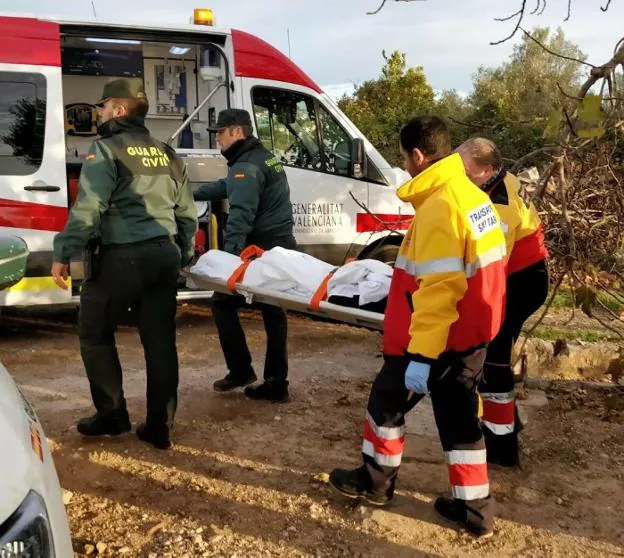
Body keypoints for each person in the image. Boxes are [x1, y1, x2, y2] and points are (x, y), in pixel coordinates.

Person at [329, 116, 507, 538]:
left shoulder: (441, 205)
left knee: (386, 402)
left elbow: (439, 290)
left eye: (404, 158)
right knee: (460, 422)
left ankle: (375, 484)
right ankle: (475, 512)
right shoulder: (471, 195)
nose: (404, 166)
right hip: (471, 336)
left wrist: (422, 356)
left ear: (418, 156)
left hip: (437, 340)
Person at [51, 79, 198, 450]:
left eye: (102, 106)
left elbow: (88, 208)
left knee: (95, 333)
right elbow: (187, 216)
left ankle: (113, 416)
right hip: (164, 255)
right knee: (160, 341)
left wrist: (64, 251)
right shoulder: (167, 153)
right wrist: (183, 254)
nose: (98, 113)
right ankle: (159, 425)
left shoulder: (105, 150)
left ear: (118, 109)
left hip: (122, 257)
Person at [458, 137, 549, 467]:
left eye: (464, 168)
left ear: (485, 170)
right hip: (520, 276)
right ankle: (507, 423)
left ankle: (503, 447)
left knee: (494, 358)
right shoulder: (502, 180)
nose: (459, 174)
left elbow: (493, 263)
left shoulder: (499, 203)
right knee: (495, 355)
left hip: (523, 281)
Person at [194, 109, 296, 402]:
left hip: (260, 250)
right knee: (273, 312)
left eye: (220, 134)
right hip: (279, 247)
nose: (217, 140)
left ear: (237, 132)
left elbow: (240, 217)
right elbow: (229, 187)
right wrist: (190, 193)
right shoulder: (262, 157)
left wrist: (228, 263)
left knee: (222, 303)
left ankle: (242, 370)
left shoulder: (246, 166)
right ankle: (276, 382)